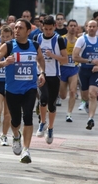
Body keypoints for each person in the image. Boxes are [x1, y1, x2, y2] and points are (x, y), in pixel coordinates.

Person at [0, 18, 46, 164]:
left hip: (30, 88)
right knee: (15, 120)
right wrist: (4, 62)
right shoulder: (8, 46)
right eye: (16, 28)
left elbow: (40, 59)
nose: (17, 30)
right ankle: (16, 136)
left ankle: (26, 150)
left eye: (20, 28)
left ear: (28, 31)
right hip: (12, 90)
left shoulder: (34, 45)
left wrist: (41, 73)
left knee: (28, 116)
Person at [34, 16, 67, 144]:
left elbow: (65, 59)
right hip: (41, 74)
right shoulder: (37, 38)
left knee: (52, 104)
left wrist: (52, 55)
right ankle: (42, 122)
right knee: (43, 99)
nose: (47, 31)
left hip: (54, 74)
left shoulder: (58, 39)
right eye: (45, 29)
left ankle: (50, 128)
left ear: (54, 27)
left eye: (50, 29)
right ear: (42, 27)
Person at [73, 20, 98, 130]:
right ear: (86, 27)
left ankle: (91, 119)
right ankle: (87, 106)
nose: (92, 28)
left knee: (93, 94)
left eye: (94, 26)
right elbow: (75, 57)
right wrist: (90, 61)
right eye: (90, 26)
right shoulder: (81, 40)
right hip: (84, 70)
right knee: (84, 96)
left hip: (95, 71)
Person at [59, 19, 80, 121]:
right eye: (70, 25)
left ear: (77, 28)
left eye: (74, 26)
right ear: (67, 27)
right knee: (62, 96)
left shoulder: (78, 41)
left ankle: (69, 114)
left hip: (73, 69)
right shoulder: (62, 39)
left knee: (72, 91)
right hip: (62, 68)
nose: (72, 27)